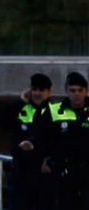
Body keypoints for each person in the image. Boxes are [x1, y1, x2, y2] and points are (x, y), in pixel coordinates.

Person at [20, 72, 89, 210]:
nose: (76, 94)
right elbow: (41, 133)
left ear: (86, 91)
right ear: (66, 91)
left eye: (80, 90)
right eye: (72, 90)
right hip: (63, 172)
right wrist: (32, 143)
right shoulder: (54, 110)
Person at [8, 73, 55, 210]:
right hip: (21, 173)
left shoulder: (55, 110)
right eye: (34, 89)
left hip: (44, 173)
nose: (37, 93)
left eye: (41, 90)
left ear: (49, 92)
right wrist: (21, 101)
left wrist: (50, 159)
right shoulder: (22, 108)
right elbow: (3, 120)